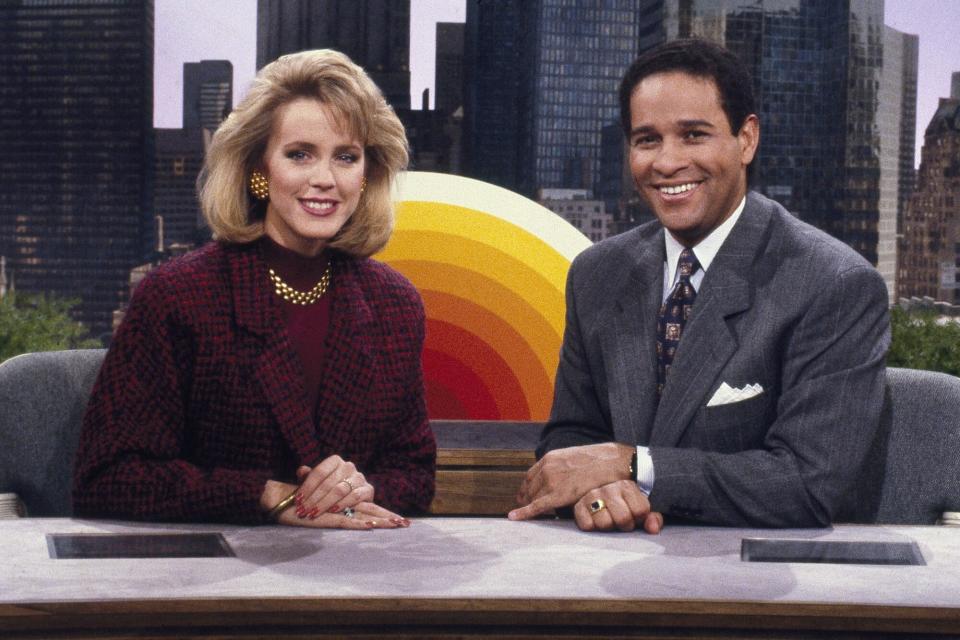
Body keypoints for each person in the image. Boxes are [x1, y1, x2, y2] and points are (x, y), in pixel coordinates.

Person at [509, 39, 890, 532]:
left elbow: (806, 483)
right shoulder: (595, 274)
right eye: (647, 140)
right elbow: (572, 439)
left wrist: (633, 467)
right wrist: (602, 495)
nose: (667, 163)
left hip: (765, 583)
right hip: (612, 565)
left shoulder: (835, 285)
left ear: (746, 138)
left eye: (693, 135)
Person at [73, 49, 435, 529]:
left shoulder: (394, 304)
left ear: (366, 176)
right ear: (259, 170)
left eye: (345, 157)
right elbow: (108, 479)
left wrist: (357, 489)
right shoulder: (179, 296)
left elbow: (413, 473)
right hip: (207, 581)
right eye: (299, 154)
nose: (324, 179)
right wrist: (268, 496)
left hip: (354, 574)